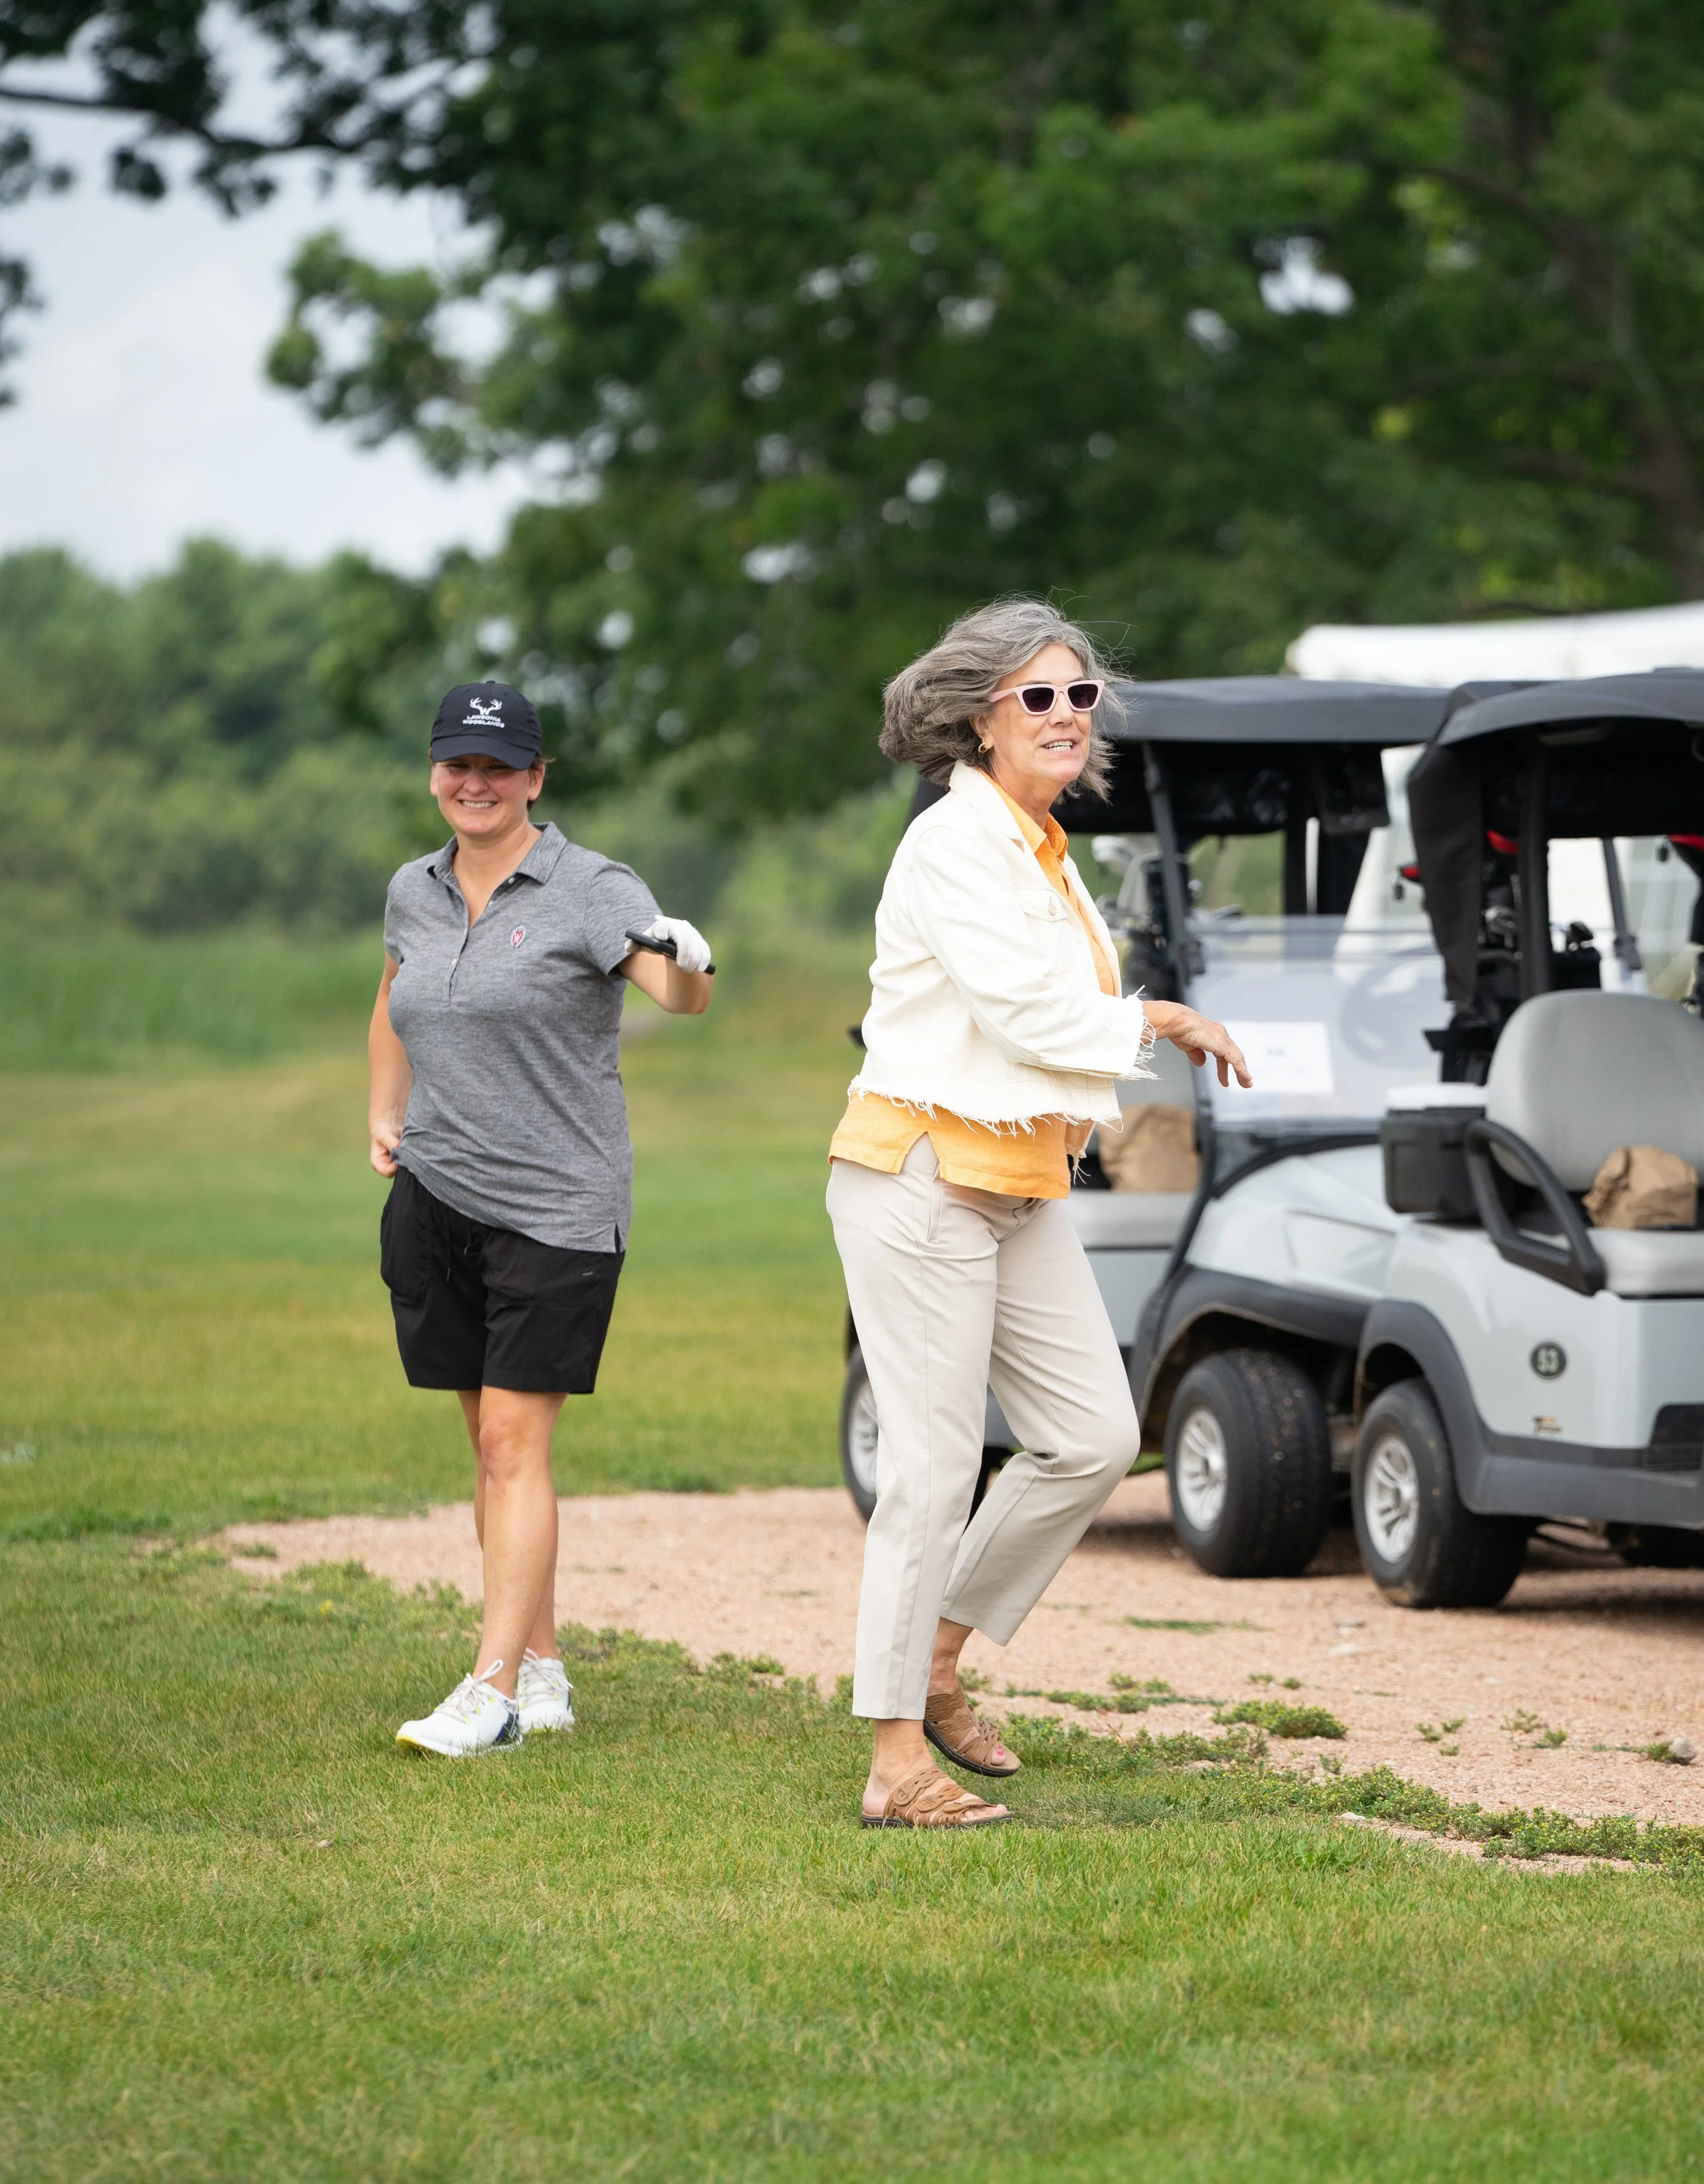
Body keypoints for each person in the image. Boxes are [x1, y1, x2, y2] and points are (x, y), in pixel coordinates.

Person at [828, 600, 1251, 1827]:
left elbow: (1044, 1015)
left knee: (1092, 1437)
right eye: (1038, 696)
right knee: (931, 1473)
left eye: (1080, 694)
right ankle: (894, 1761)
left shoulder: (1041, 845)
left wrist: (1138, 1018)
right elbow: (1023, 1015)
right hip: (920, 1179)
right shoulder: (954, 843)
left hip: (1016, 1182)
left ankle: (937, 1656)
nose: (1068, 714)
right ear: (980, 720)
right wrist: (1161, 1017)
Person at [369, 679, 714, 1756]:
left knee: (515, 1445)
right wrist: (384, 1110)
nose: (475, 783)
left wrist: (689, 957)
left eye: (499, 766)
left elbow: (677, 995)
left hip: (556, 1208)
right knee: (491, 1451)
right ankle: (544, 1670)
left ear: (535, 778)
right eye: (458, 764)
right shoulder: (413, 888)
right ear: (437, 771)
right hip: (436, 1194)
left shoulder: (592, 887)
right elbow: (395, 994)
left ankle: (492, 1693)